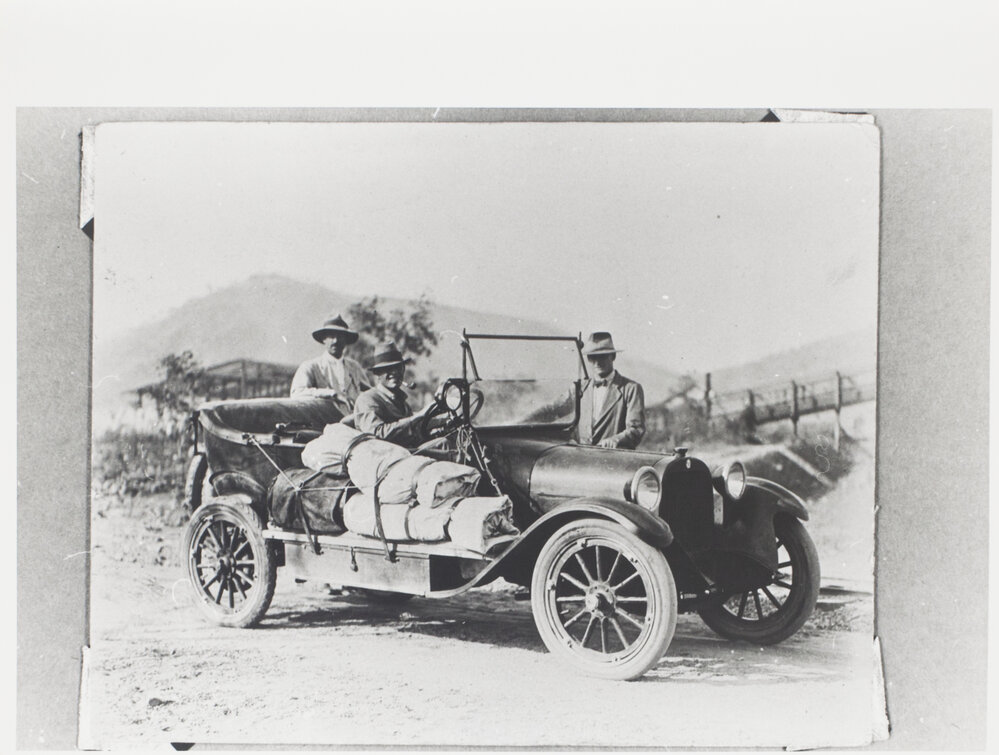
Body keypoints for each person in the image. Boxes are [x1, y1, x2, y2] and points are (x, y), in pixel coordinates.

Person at [352, 342, 435, 447]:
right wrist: (418, 417)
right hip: (386, 458)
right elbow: (376, 434)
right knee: (444, 445)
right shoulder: (367, 399)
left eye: (398, 367)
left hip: (407, 454)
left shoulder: (402, 403)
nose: (394, 372)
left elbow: (415, 434)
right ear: (378, 373)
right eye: (388, 368)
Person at [578, 331, 646, 449]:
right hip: (582, 462)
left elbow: (636, 429)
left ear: (613, 356)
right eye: (593, 357)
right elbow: (554, 409)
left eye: (603, 356)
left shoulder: (631, 389)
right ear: (588, 359)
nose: (598, 362)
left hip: (615, 461)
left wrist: (616, 439)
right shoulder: (580, 389)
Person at [290, 313, 371, 410]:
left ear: (346, 340)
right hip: (325, 421)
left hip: (354, 420)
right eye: (331, 336)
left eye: (340, 336)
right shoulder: (311, 366)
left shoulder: (354, 367)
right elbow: (297, 393)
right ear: (324, 339)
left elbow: (369, 393)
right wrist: (332, 394)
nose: (335, 341)